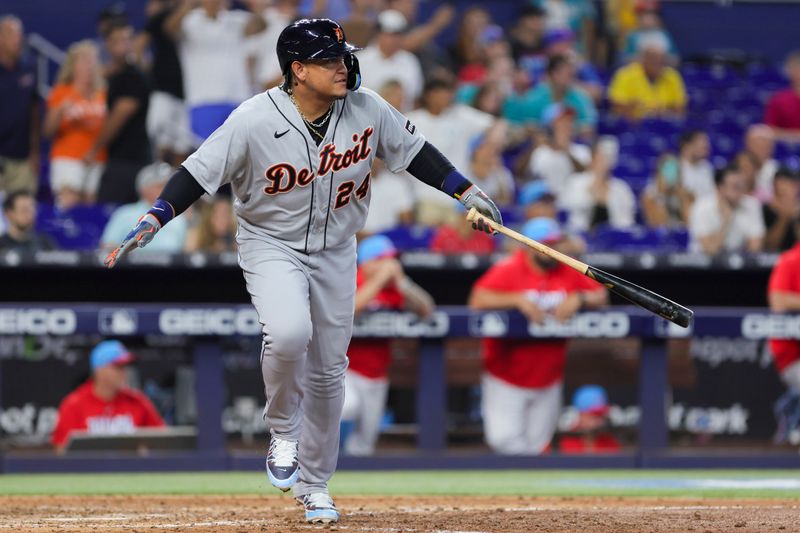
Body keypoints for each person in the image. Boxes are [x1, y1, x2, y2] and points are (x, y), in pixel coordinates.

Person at [103, 19, 502, 524]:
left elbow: (416, 153)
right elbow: (198, 171)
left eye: (342, 55)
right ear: (297, 70)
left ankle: (315, 485)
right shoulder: (252, 118)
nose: (343, 65)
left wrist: (466, 192)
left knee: (331, 370)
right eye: (329, 59)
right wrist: (157, 215)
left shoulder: (367, 107)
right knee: (289, 333)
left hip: (338, 247)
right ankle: (283, 430)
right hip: (272, 243)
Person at [468, 217, 607, 455]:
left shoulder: (567, 269)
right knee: (504, 441)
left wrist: (581, 298)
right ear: (530, 246)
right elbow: (477, 300)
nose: (552, 250)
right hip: (507, 376)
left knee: (536, 447)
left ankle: (526, 494)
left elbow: (601, 296)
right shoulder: (510, 268)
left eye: (555, 243)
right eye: (546, 244)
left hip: (548, 376)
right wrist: (516, 299)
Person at [341, 235, 434, 455]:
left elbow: (427, 309)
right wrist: (379, 281)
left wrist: (403, 283)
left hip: (377, 374)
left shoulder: (393, 289)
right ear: (367, 263)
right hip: (344, 369)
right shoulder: (350, 279)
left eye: (391, 260)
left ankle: (351, 485)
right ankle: (323, 461)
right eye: (382, 260)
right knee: (346, 408)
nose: (390, 265)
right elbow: (348, 310)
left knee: (365, 445)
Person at [165, 0, 266, 141]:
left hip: (237, 99)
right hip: (203, 100)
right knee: (206, 154)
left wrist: (256, 6)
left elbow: (261, 26)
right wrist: (188, 5)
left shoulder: (236, 19)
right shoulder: (190, 20)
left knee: (240, 153)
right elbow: (169, 28)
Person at [406, 76, 496, 226]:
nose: (446, 96)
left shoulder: (460, 116)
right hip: (425, 196)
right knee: (431, 245)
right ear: (428, 95)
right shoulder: (413, 120)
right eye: (440, 92)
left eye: (448, 91)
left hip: (457, 196)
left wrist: (486, 150)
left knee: (456, 245)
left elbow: (496, 125)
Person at [50, 340, 165, 453]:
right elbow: (61, 450)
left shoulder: (137, 401)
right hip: (90, 470)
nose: (124, 373)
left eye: (125, 367)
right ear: (99, 370)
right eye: (118, 367)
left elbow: (163, 442)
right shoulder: (74, 403)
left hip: (130, 470)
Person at [92, 21, 153, 205]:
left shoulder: (133, 76)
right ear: (108, 45)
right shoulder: (113, 76)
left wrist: (94, 149)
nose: (124, 45)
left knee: (110, 208)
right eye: (117, 40)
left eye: (127, 40)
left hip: (131, 161)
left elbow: (119, 116)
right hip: (119, 157)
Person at [43, 41, 107, 209]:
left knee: (90, 205)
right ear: (73, 65)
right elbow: (47, 130)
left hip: (96, 159)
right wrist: (59, 111)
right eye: (84, 60)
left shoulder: (103, 93)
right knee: (69, 204)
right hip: (68, 157)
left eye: (93, 60)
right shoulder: (62, 91)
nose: (90, 66)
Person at [137, 0, 194, 165]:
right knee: (159, 142)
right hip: (163, 90)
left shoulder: (197, 20)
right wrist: (148, 73)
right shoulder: (161, 17)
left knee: (182, 146)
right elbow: (139, 46)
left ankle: (174, 187)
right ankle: (153, 182)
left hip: (188, 94)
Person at [101, 162, 188, 253]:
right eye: (160, 186)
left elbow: (187, 252)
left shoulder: (179, 217)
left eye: (169, 186)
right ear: (144, 188)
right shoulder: (124, 214)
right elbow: (107, 247)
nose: (167, 190)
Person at [504, 54, 597, 139]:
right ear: (551, 75)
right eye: (565, 74)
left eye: (571, 74)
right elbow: (525, 126)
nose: (569, 78)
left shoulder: (581, 99)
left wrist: (566, 129)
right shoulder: (533, 99)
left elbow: (588, 127)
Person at [768, 219, 800, 445]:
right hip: (792, 353)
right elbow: (777, 301)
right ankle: (793, 413)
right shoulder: (790, 260)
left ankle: (791, 406)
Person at [560, 137, 636, 233]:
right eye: (601, 156)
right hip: (582, 235)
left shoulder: (621, 187)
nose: (605, 160)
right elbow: (570, 209)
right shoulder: (576, 182)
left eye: (608, 157)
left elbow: (628, 220)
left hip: (613, 239)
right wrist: (594, 188)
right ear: (592, 157)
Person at [0, 15, 40, 195]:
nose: (19, 39)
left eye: (19, 34)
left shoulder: (29, 68)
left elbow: (34, 112)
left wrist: (34, 151)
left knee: (24, 209)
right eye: (12, 34)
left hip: (22, 157)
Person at [688, 164, 765, 255]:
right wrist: (726, 222)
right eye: (735, 187)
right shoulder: (702, 207)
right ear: (720, 188)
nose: (741, 190)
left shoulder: (752, 205)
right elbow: (710, 249)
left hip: (740, 264)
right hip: (701, 265)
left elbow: (755, 247)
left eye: (742, 185)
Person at [608, 32, 686, 121]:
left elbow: (680, 109)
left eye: (661, 60)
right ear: (643, 58)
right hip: (634, 124)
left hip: (664, 124)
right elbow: (616, 105)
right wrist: (640, 108)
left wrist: (664, 112)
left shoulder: (672, 76)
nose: (657, 63)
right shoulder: (625, 75)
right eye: (652, 59)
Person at [356, 9, 423, 112]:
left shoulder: (410, 61)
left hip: (403, 119)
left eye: (398, 35)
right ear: (378, 34)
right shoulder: (361, 60)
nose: (394, 39)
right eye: (390, 34)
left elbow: (415, 99)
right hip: (369, 119)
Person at [527, 103, 591, 201]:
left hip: (574, 202)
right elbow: (531, 179)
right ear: (550, 127)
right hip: (548, 203)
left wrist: (567, 152)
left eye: (569, 121)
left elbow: (586, 176)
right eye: (561, 122)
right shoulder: (540, 152)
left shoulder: (582, 151)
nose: (567, 125)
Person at [558, 384, 622, 453]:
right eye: (594, 415)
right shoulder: (567, 443)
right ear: (579, 415)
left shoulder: (610, 443)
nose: (599, 420)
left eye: (602, 415)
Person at [641, 153, 691, 228]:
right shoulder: (649, 197)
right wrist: (661, 195)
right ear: (658, 174)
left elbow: (690, 223)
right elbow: (660, 225)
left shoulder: (687, 195)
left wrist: (682, 199)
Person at [764, 51, 800, 143]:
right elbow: (770, 130)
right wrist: (794, 136)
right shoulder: (779, 100)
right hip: (784, 147)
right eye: (796, 68)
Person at [763, 167, 800, 252]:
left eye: (786, 190)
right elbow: (769, 246)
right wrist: (784, 217)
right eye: (778, 193)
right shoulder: (766, 210)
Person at [744, 124, 778, 202]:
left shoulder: (777, 169)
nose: (760, 147)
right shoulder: (738, 167)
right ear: (748, 145)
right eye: (756, 144)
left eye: (765, 143)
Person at [678, 129, 714, 201]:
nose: (707, 147)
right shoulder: (674, 167)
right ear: (687, 146)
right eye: (702, 146)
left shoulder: (707, 167)